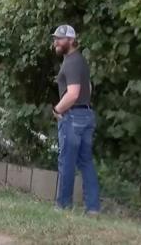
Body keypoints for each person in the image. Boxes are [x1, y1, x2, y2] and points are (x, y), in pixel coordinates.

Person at [51, 25, 100, 214]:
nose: (56, 42)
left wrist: (57, 109)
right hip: (87, 114)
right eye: (55, 38)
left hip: (73, 117)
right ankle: (93, 208)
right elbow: (88, 87)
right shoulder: (80, 60)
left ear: (71, 40)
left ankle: (63, 206)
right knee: (86, 162)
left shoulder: (71, 62)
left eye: (60, 39)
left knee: (66, 162)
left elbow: (72, 94)